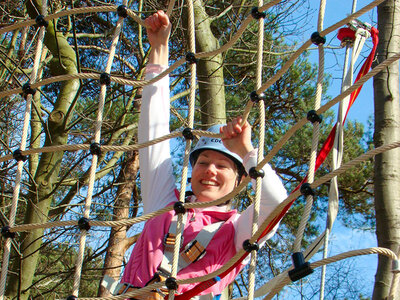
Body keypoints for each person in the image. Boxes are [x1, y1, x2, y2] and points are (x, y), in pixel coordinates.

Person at [119, 10, 287, 300]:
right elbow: (152, 138)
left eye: (222, 165)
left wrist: (246, 153)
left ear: (239, 180)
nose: (210, 170)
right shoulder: (164, 205)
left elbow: (276, 203)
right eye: (204, 162)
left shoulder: (237, 230)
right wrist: (159, 50)